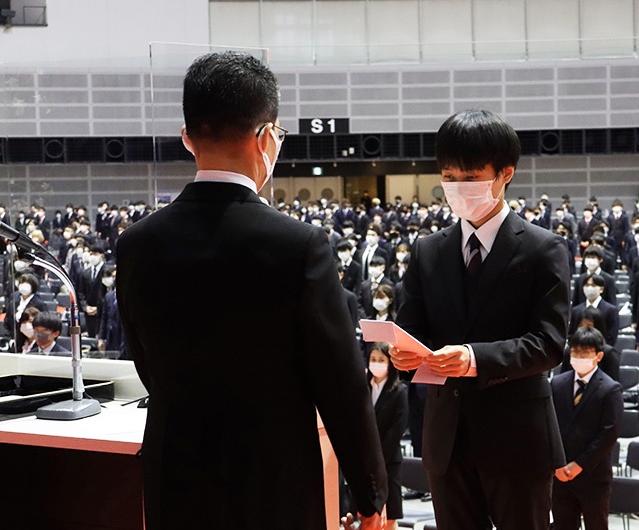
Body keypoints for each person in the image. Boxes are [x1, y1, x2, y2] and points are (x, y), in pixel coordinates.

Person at [116, 51, 387, 530]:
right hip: (271, 483)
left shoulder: (136, 244)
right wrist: (370, 497)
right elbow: (341, 385)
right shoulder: (299, 245)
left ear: (187, 138)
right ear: (266, 138)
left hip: (175, 475)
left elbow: (145, 362)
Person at [391, 109, 570, 529]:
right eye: (448, 177)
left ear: (504, 173)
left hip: (517, 437)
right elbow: (411, 328)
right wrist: (404, 356)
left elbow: (548, 343)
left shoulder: (543, 248)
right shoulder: (428, 250)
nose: (457, 187)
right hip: (446, 439)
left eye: (470, 177)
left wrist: (474, 357)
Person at [551, 327, 623, 530]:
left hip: (593, 476)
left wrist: (579, 465)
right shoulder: (557, 384)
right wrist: (558, 463)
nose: (578, 357)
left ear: (599, 355)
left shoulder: (610, 388)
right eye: (575, 353)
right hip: (560, 474)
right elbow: (550, 425)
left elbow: (609, 433)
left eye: (585, 353)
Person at [367, 343, 408, 530]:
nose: (376, 363)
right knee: (367, 515)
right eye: (373, 359)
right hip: (365, 464)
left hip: (389, 461)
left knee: (390, 516)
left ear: (390, 364)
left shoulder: (399, 391)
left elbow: (396, 430)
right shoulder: (362, 390)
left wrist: (378, 458)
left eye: (381, 360)